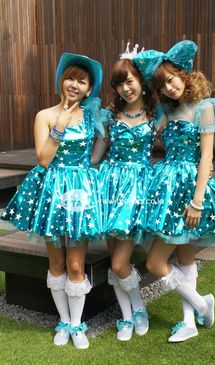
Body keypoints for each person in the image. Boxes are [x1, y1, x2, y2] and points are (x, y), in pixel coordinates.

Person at [1, 52, 104, 349]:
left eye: (82, 81)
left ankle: (77, 324)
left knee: (75, 265)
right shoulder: (44, 115)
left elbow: (97, 152)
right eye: (70, 77)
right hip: (52, 195)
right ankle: (63, 322)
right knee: (57, 264)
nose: (74, 84)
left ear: (88, 88)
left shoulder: (91, 116)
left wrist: (91, 173)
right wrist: (59, 126)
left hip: (80, 196)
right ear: (61, 80)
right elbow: (44, 160)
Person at [134, 40, 215, 342]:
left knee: (155, 262)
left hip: (189, 190)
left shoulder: (204, 108)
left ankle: (202, 306)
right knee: (183, 255)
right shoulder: (166, 110)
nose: (169, 88)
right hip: (166, 186)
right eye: (162, 85)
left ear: (184, 73)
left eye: (172, 79)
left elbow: (206, 158)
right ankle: (191, 319)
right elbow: (146, 130)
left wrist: (198, 201)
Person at [92, 43, 158, 341]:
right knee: (113, 256)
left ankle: (139, 309)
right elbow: (97, 156)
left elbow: (182, 142)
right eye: (119, 83)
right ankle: (127, 317)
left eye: (129, 81)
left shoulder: (156, 115)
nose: (124, 88)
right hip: (109, 188)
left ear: (141, 81)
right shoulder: (108, 115)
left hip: (137, 192)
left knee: (120, 263)